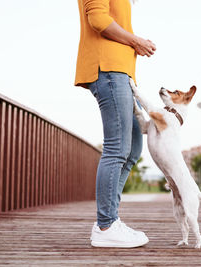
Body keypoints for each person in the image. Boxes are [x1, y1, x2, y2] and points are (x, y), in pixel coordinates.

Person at [74, 0, 156, 248]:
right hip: (108, 69)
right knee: (117, 148)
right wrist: (135, 41)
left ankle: (109, 220)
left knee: (132, 149)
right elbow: (97, 19)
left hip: (119, 72)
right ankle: (106, 225)